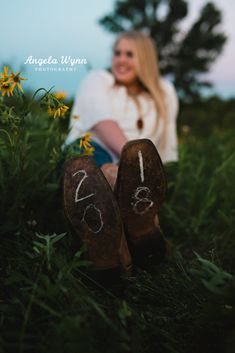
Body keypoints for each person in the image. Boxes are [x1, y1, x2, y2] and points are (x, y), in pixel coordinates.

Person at [63, 31, 179, 275]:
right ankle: (132, 211)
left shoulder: (164, 93)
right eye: (117, 53)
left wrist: (149, 171)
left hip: (133, 165)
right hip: (91, 150)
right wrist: (135, 168)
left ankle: (111, 252)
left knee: (113, 183)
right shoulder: (98, 79)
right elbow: (102, 123)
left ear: (145, 59)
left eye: (129, 54)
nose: (121, 59)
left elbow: (163, 146)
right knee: (93, 169)